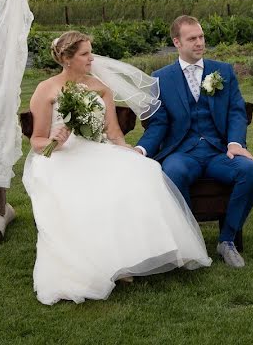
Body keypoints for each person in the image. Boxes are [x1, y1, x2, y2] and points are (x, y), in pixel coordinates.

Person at [23, 31, 211, 305]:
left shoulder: (100, 88)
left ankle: (133, 258)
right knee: (83, 192)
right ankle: (102, 263)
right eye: (85, 54)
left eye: (91, 52)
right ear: (66, 59)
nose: (92, 58)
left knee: (144, 172)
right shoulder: (47, 89)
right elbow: (37, 140)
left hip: (96, 150)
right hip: (59, 158)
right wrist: (54, 141)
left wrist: (131, 155)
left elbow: (113, 133)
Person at [136, 15, 253, 268]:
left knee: (250, 172)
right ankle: (189, 241)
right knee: (172, 172)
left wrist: (235, 143)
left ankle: (226, 240)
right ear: (177, 42)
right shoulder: (161, 78)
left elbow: (236, 111)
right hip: (182, 152)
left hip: (218, 151)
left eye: (201, 37)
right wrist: (141, 149)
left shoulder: (223, 71)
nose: (199, 43)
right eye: (192, 38)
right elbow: (158, 123)